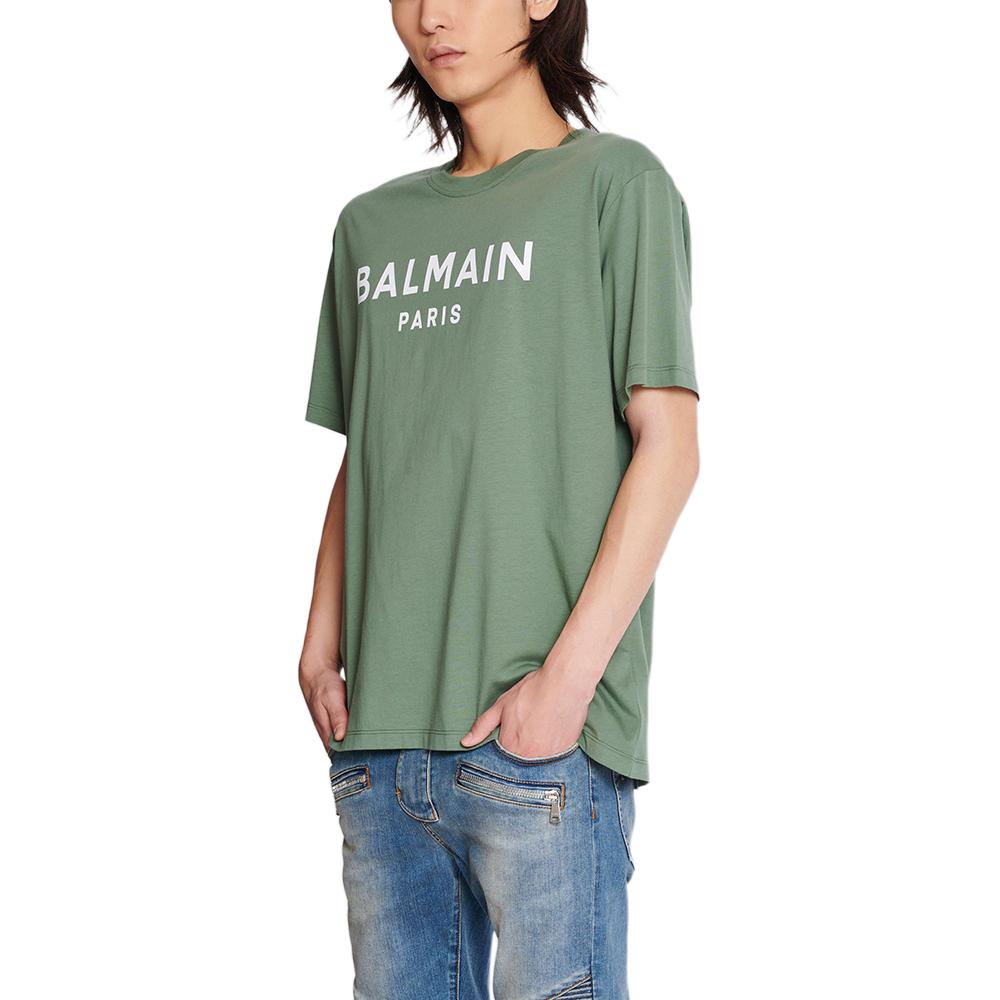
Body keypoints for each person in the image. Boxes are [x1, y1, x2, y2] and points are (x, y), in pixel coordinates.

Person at [299, 1, 699, 996]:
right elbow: (372, 446)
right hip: (379, 744)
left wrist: (566, 686)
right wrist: (318, 639)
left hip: (538, 743)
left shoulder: (615, 185)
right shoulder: (370, 227)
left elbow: (670, 446)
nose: (432, 17)